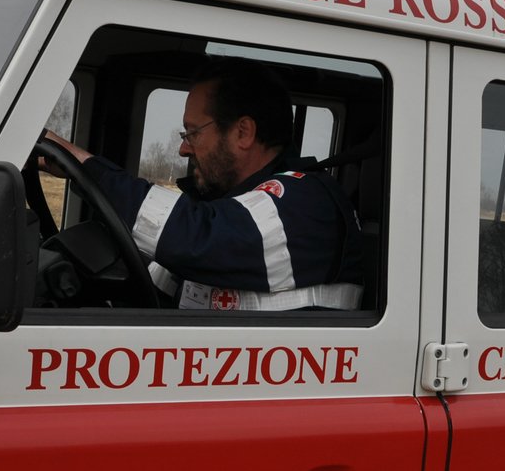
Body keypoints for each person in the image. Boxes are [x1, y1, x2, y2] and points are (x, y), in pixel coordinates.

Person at [41, 57, 363, 311]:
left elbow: (195, 237)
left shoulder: (306, 202)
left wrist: (81, 163)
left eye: (192, 133)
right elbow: (156, 286)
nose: (183, 148)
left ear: (243, 133)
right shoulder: (231, 206)